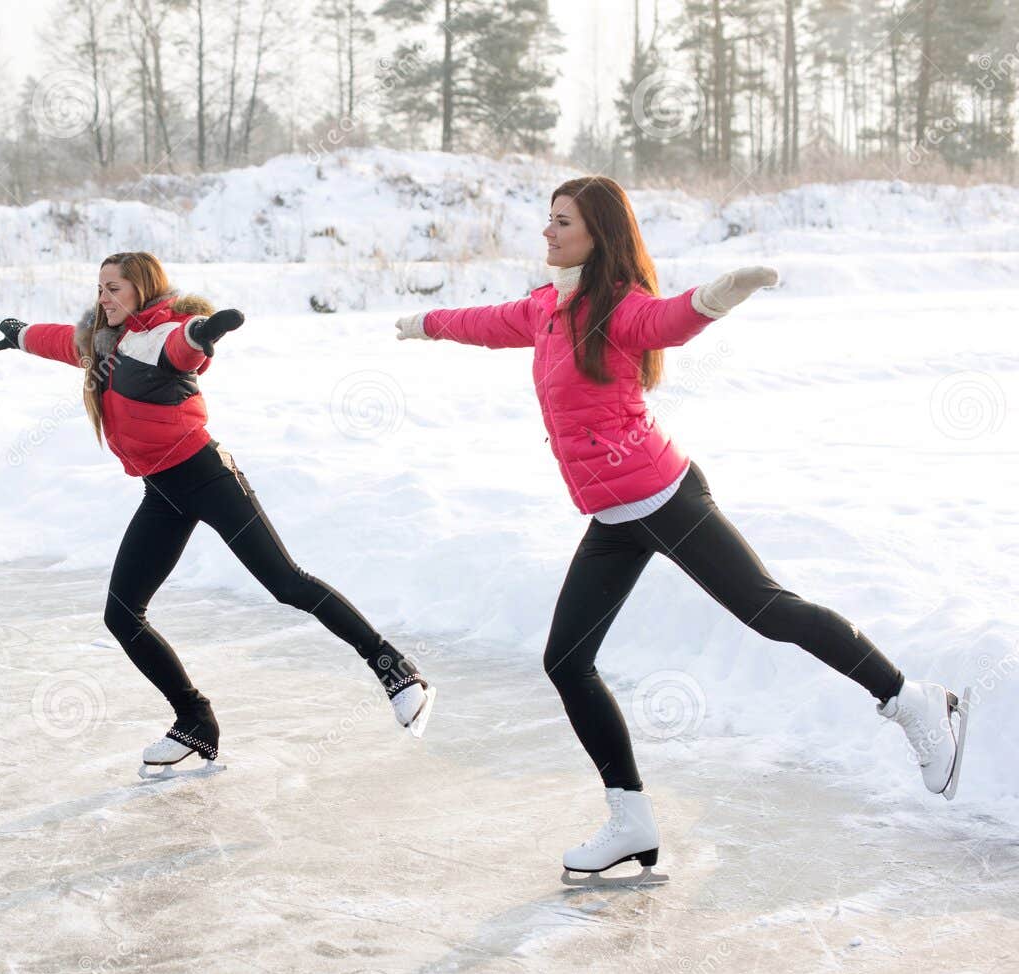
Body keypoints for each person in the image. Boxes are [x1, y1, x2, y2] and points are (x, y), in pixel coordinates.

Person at [395, 176, 966, 885]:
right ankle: (630, 819)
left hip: (664, 497)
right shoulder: (544, 308)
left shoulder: (618, 309)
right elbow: (485, 324)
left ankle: (912, 699)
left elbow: (669, 320)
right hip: (613, 518)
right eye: (547, 219)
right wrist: (428, 323)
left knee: (768, 611)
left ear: (597, 233)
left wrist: (719, 295)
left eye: (561, 221)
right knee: (566, 662)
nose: (546, 232)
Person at [0, 251, 436, 777]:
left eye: (114, 288)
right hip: (162, 493)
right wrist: (21, 334)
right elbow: (61, 340)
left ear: (142, 290)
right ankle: (195, 721)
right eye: (100, 288)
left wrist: (204, 333)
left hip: (208, 477)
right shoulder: (103, 342)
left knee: (287, 583)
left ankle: (398, 674)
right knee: (121, 613)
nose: (104, 298)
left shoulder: (162, 333)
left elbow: (184, 347)